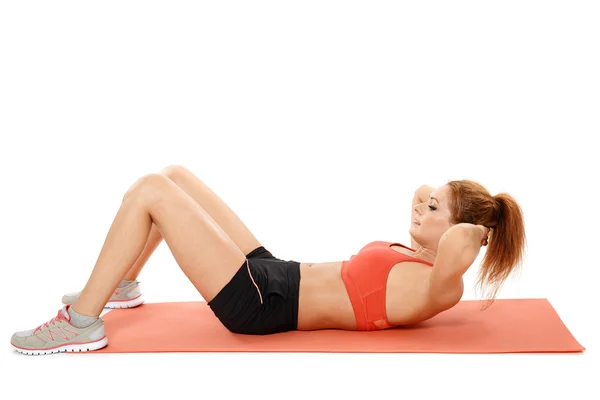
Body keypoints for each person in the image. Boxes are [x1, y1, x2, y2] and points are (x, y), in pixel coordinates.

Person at [10, 165, 526, 355]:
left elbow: (457, 245)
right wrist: (437, 201)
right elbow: (425, 199)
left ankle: (82, 323)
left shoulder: (440, 285)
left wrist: (478, 227)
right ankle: (121, 284)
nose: (420, 205)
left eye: (434, 208)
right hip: (276, 273)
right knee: (175, 175)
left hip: (262, 304)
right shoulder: (416, 256)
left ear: (465, 233)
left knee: (151, 192)